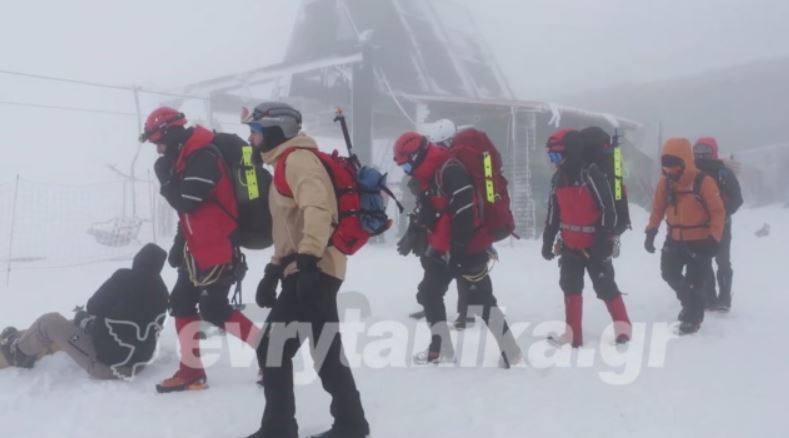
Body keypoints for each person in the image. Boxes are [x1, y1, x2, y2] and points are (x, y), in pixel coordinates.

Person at [244, 102, 370, 438]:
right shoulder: (285, 164)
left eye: (255, 132)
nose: (252, 140)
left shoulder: (299, 160)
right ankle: (350, 424)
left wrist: (309, 259)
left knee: (274, 347)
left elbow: (319, 209)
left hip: (316, 267)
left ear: (275, 130)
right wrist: (274, 269)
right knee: (322, 349)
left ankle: (281, 427)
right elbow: (290, 227)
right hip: (306, 267)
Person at [139, 107, 260, 393]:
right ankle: (191, 372)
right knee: (181, 301)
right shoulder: (184, 158)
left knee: (214, 309)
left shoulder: (203, 156)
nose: (158, 150)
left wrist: (165, 179)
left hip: (219, 246)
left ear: (173, 134)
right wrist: (179, 245)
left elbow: (188, 201)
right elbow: (190, 216)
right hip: (197, 247)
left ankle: (272, 356)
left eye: (160, 141)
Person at [392, 131, 522, 367]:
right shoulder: (428, 176)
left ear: (420, 155)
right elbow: (433, 212)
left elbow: (465, 213)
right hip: (441, 251)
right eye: (403, 167)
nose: (407, 171)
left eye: (408, 164)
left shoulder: (450, 170)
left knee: (482, 303)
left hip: (467, 250)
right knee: (428, 294)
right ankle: (440, 348)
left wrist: (460, 252)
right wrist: (415, 232)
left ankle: (511, 352)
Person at [0, 244, 168, 379]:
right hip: (137, 364)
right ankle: (26, 338)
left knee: (50, 322)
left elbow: (94, 306)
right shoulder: (162, 292)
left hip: (107, 365)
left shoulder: (124, 278)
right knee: (76, 323)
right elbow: (136, 322)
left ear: (138, 259)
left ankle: (18, 352)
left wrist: (88, 323)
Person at [541, 129, 632, 347]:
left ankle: (623, 330)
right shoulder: (558, 179)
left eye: (557, 156)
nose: (554, 162)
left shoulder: (590, 174)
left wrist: (603, 241)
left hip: (596, 244)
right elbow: (554, 213)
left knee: (605, 286)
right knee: (570, 287)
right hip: (570, 245)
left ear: (570, 152)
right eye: (551, 156)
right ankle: (574, 336)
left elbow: (608, 209)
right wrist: (548, 240)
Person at [644, 138, 726, 335]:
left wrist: (714, 238)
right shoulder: (665, 183)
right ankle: (690, 304)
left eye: (674, 165)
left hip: (700, 240)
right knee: (668, 273)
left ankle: (693, 318)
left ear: (685, 161)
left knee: (695, 281)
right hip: (674, 238)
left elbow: (718, 212)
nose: (669, 170)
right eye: (666, 165)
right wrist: (651, 231)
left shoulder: (703, 182)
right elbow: (658, 209)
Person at [693, 137, 743, 312]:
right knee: (704, 261)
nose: (701, 155)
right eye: (697, 151)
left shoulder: (724, 173)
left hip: (722, 225)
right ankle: (710, 299)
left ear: (713, 151)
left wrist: (721, 213)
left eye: (705, 151)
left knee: (722, 260)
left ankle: (724, 298)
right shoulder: (692, 172)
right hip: (699, 226)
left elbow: (737, 199)